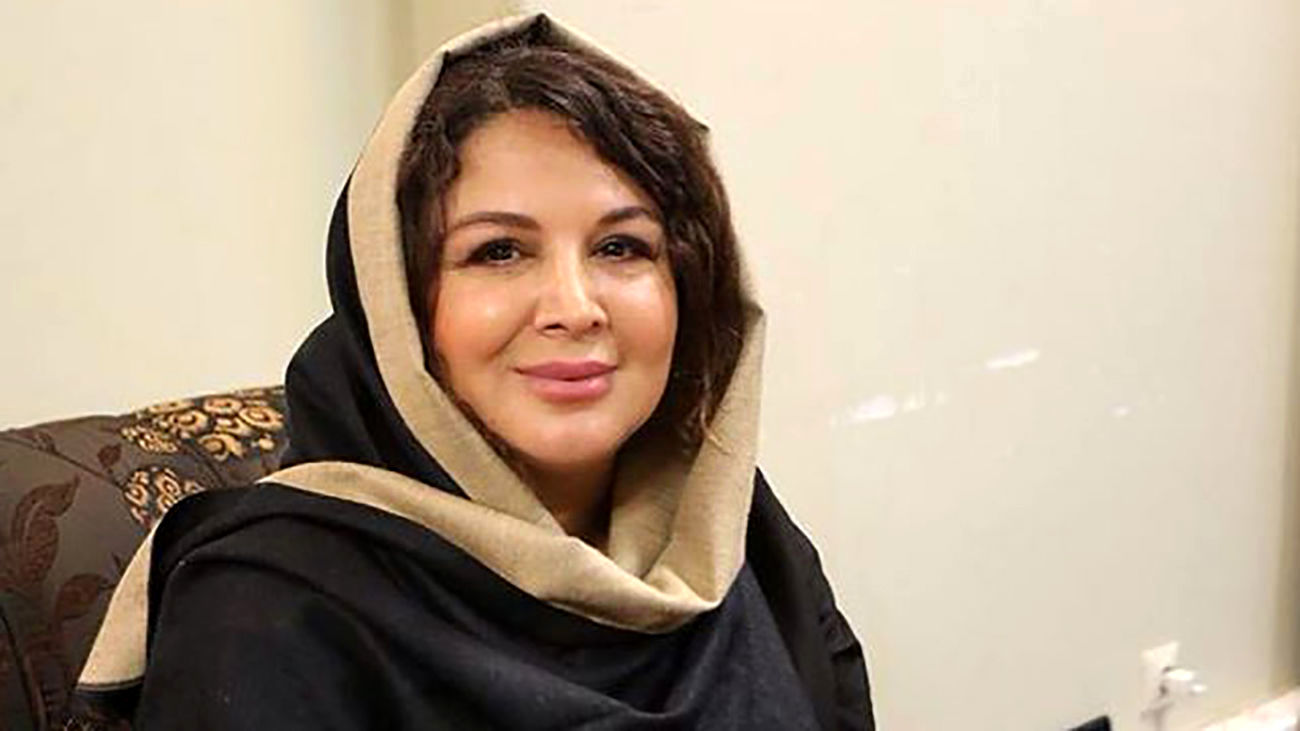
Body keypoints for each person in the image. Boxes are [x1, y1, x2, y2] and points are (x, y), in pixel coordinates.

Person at [73, 13, 874, 730]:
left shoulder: (737, 536)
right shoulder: (267, 610)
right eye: (498, 251)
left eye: (621, 246)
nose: (574, 307)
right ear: (398, 306)